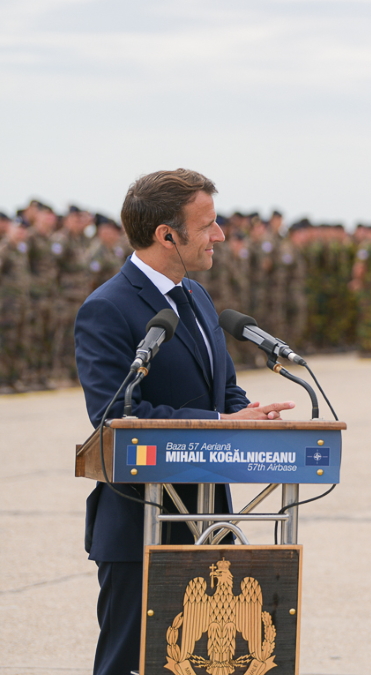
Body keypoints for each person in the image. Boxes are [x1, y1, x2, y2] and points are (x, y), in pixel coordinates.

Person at [74, 169, 295, 675]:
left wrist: (248, 415)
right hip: (141, 519)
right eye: (209, 225)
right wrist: (224, 421)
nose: (220, 235)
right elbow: (114, 414)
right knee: (128, 663)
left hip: (208, 519)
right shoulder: (107, 309)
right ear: (167, 235)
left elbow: (226, 390)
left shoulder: (194, 297)